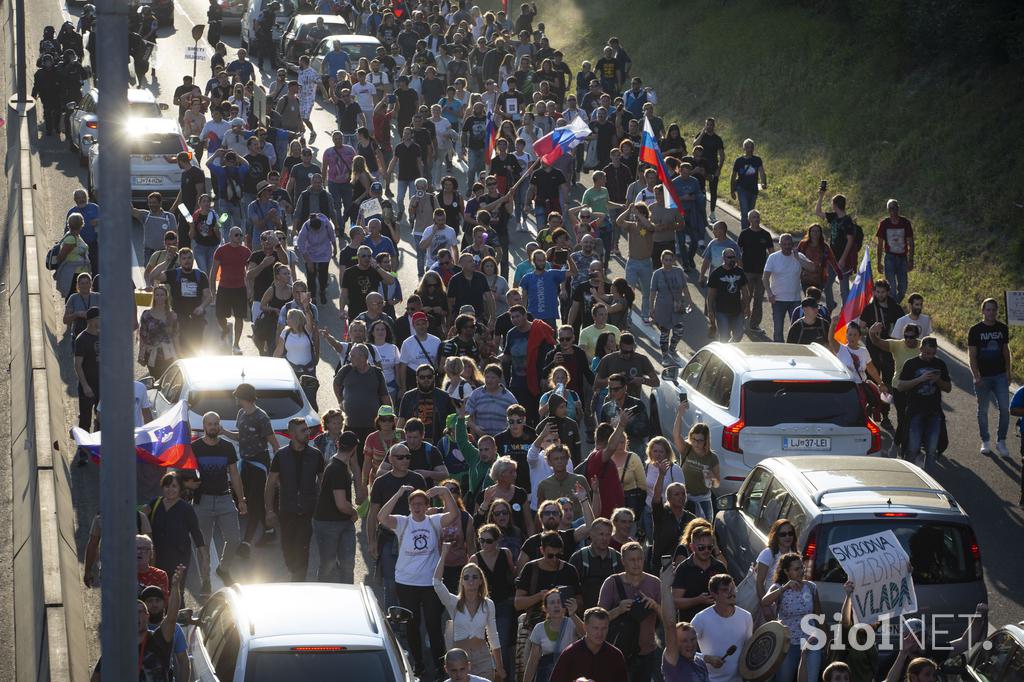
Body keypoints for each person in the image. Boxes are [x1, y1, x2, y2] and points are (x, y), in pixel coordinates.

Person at [378, 484, 460, 678]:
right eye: (414, 504)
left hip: (430, 583)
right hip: (406, 582)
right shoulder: (402, 523)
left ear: (426, 506)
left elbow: (454, 514)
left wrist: (444, 492)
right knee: (412, 625)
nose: (417, 507)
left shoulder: (434, 521)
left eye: (421, 504)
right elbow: (381, 517)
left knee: (433, 625)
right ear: (409, 506)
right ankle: (419, 664)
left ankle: (440, 667)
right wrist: (398, 493)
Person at [89, 566, 186, 682]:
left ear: (147, 615)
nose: (137, 617)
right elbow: (96, 679)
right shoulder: (116, 649)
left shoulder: (159, 640)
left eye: (140, 612)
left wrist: (175, 586)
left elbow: (171, 617)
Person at [191, 411, 246, 596]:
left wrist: (241, 500)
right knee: (203, 545)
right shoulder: (195, 447)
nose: (213, 427)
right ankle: (206, 580)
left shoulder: (227, 447)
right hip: (202, 501)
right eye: (210, 424)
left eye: (216, 424)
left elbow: (235, 475)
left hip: (224, 498)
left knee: (234, 539)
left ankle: (223, 568)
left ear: (219, 426)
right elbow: (188, 474)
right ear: (204, 426)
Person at [264, 418, 324, 581]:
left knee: (302, 549)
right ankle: (294, 571)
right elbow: (270, 484)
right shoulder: (281, 456)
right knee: (288, 549)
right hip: (287, 511)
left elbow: (323, 482)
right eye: (303, 430)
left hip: (307, 511)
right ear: (292, 434)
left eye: (307, 429)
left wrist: (322, 506)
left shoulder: (315, 455)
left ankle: (298, 581)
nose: (308, 433)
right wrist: (269, 510)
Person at [433, 543, 504, 680]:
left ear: (480, 582)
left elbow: (493, 636)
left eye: (474, 577)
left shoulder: (488, 604)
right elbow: (436, 583)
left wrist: (499, 666)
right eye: (466, 577)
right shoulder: (453, 603)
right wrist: (443, 554)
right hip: (459, 662)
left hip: (483, 657)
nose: (470, 580)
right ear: (462, 582)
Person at [222, 382, 279, 546]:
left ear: (242, 397)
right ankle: (270, 531)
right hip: (245, 463)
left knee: (255, 501)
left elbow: (274, 443)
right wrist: (224, 432)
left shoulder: (261, 417)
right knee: (253, 500)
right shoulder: (241, 413)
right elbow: (241, 436)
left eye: (237, 396)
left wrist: (276, 469)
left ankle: (246, 542)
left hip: (259, 465)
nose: (236, 399)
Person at [597, 541, 661, 681]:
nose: (636, 563)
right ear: (623, 561)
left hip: (648, 652)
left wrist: (655, 606)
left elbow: (669, 616)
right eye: (632, 560)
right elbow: (597, 619)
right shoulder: (612, 582)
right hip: (619, 652)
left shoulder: (655, 583)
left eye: (639, 559)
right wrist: (618, 610)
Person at [761, 552, 824, 682]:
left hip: (810, 641)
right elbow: (764, 601)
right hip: (787, 643)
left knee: (810, 679)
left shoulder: (811, 587)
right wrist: (784, 588)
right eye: (796, 569)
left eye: (802, 567)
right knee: (785, 678)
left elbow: (818, 614)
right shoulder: (778, 587)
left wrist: (825, 635)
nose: (801, 571)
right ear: (786, 571)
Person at [312, 430, 361, 583]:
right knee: (331, 567)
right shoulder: (338, 469)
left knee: (334, 566)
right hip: (330, 523)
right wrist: (354, 513)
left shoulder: (336, 464)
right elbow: (341, 504)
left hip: (335, 522)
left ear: (338, 445)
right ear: (354, 449)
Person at [895, 337, 951, 469]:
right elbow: (900, 386)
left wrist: (938, 380)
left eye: (932, 353)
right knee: (913, 448)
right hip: (915, 412)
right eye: (926, 353)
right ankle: (910, 476)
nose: (929, 356)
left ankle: (929, 481)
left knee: (932, 450)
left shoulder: (940, 364)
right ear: (920, 349)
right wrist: (920, 379)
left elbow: (948, 388)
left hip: (934, 412)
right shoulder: (911, 364)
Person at [333, 344, 391, 465]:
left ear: (363, 357)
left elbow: (385, 397)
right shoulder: (346, 370)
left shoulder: (376, 373)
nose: (350, 358)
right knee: (353, 457)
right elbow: (336, 383)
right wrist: (340, 400)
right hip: (351, 424)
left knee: (371, 457)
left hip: (372, 425)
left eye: (352, 356)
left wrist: (390, 418)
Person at [968, 297, 1012, 457]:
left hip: (1000, 375)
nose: (991, 312)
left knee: (1005, 410)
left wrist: (1009, 372)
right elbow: (972, 355)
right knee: (983, 410)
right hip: (983, 377)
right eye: (988, 309)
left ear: (996, 311)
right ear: (983, 311)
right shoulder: (975, 330)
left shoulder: (1002, 328)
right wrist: (976, 375)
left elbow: (1005, 351)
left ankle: (1001, 440)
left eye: (994, 309)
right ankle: (985, 440)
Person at [690, 574, 753, 682]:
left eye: (733, 588)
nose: (732, 593)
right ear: (714, 594)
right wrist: (708, 659)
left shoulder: (746, 617)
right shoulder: (700, 619)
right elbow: (682, 649)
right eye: (725, 590)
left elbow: (748, 650)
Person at [147, 471, 206, 583]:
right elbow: (140, 519)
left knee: (176, 590)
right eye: (167, 486)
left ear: (180, 488)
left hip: (179, 557)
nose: (170, 489)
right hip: (157, 557)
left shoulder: (186, 509)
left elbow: (196, 533)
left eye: (174, 486)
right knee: (157, 591)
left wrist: (204, 558)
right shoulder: (155, 503)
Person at [548, 607, 628, 682]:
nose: (600, 633)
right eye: (595, 628)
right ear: (585, 627)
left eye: (604, 628)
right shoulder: (570, 653)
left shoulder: (615, 655)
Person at [523, 589, 586, 682]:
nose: (556, 605)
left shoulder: (572, 622)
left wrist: (573, 614)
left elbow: (587, 636)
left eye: (559, 602)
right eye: (552, 603)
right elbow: (533, 661)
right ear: (545, 608)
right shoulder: (539, 628)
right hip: (547, 676)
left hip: (568, 673)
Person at [762, 234, 816, 343]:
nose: (787, 247)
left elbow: (812, 267)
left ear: (793, 245)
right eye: (784, 244)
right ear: (780, 244)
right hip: (777, 299)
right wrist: (769, 293)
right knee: (778, 330)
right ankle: (780, 351)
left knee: (796, 328)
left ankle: (794, 349)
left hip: (795, 300)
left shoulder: (799, 256)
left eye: (789, 244)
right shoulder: (773, 257)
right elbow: (765, 278)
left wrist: (798, 259)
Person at [876, 199, 914, 304]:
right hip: (890, 259)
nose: (893, 211)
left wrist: (911, 260)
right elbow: (880, 244)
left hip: (902, 259)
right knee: (891, 289)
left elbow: (911, 242)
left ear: (898, 209)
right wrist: (879, 263)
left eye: (895, 208)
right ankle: (893, 308)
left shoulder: (905, 223)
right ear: (888, 210)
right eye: (891, 208)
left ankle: (894, 305)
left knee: (903, 289)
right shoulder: (884, 224)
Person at [707, 248, 749, 344]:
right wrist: (710, 310)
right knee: (724, 337)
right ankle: (724, 354)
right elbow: (711, 295)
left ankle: (730, 347)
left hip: (737, 310)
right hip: (721, 311)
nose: (732, 259)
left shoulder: (740, 272)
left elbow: (745, 291)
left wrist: (747, 306)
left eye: (733, 257)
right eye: (729, 257)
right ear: (723, 258)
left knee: (739, 334)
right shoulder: (716, 273)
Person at [73, 306, 101, 436]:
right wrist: (85, 386)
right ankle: (83, 451)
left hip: (102, 385)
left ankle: (99, 448)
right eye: (99, 318)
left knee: (102, 418)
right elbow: (78, 364)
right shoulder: (82, 339)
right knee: (85, 419)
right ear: (91, 320)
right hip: (88, 385)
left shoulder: (104, 336)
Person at [730, 139, 766, 231]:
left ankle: (751, 231)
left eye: (751, 147)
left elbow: (761, 172)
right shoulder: (739, 161)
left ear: (753, 148)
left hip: (753, 189)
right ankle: (744, 234)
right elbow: (733, 175)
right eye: (747, 147)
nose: (749, 149)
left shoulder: (757, 160)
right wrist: (732, 190)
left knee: (751, 213)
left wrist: (763, 182)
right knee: (745, 212)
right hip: (742, 189)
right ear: (744, 148)